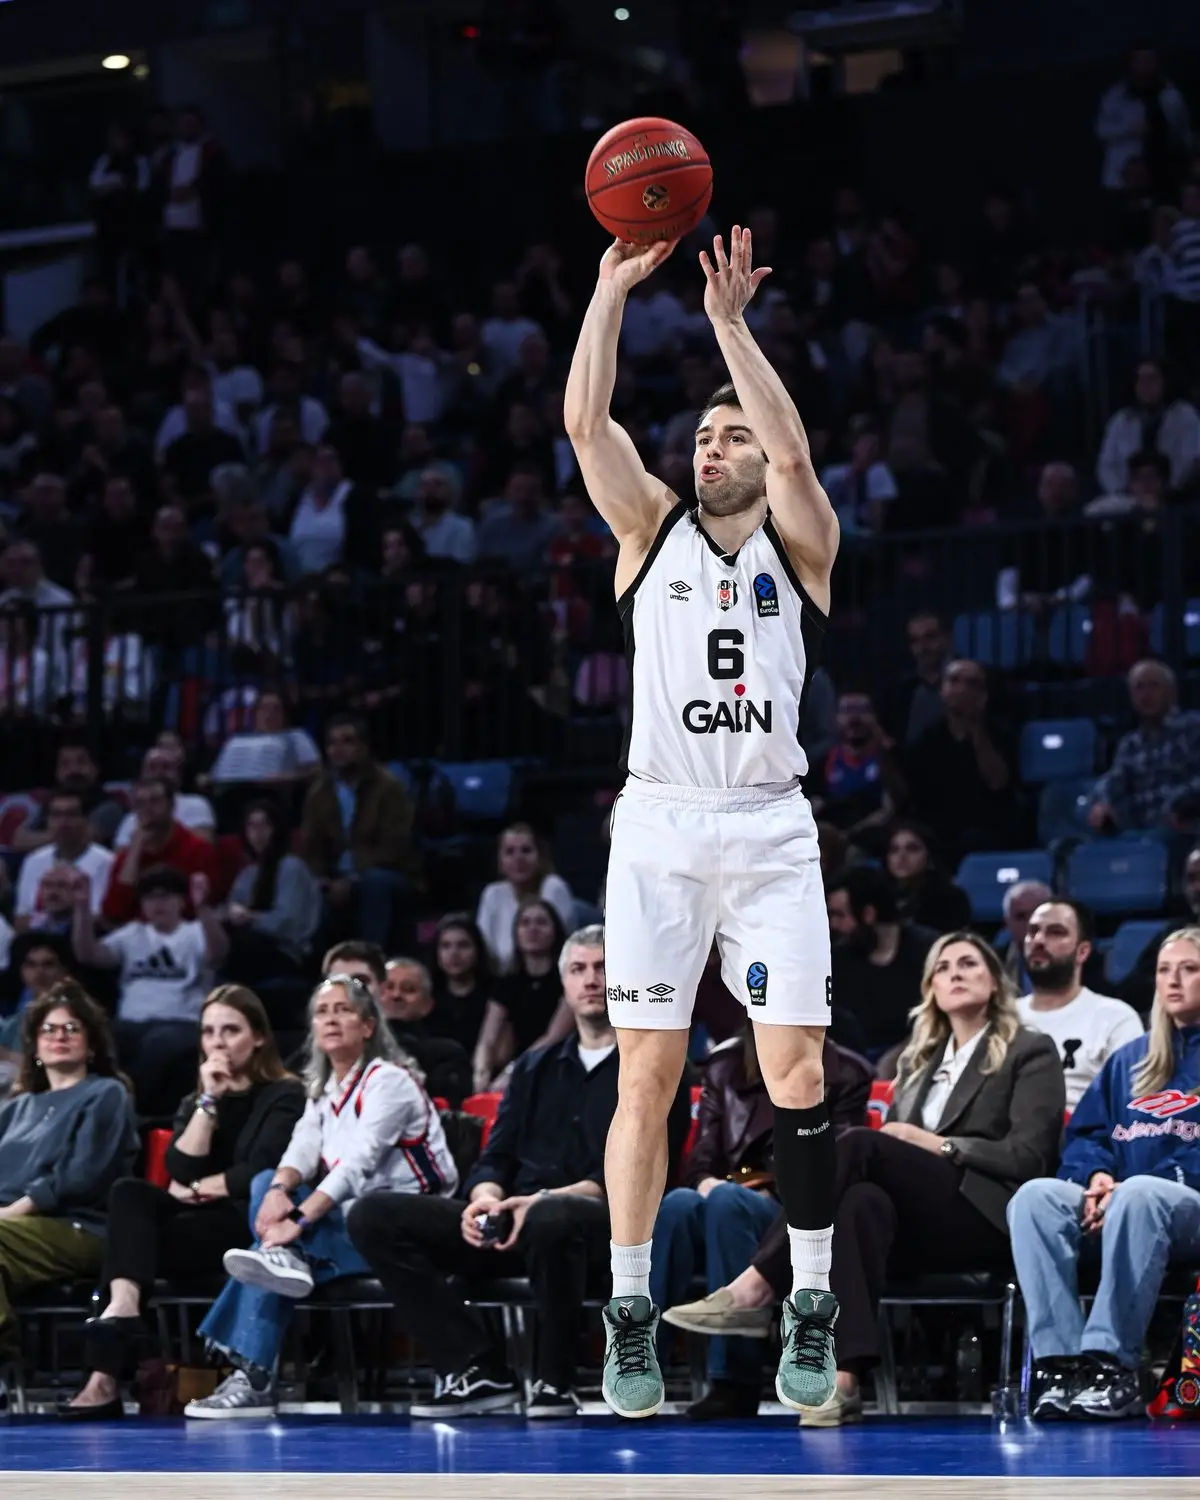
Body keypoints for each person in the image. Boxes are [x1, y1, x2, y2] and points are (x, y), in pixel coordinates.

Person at [564, 224, 841, 1418]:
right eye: (703, 433)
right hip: (663, 829)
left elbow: (793, 449)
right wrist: (608, 291)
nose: (714, 444)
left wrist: (730, 325)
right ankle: (631, 1313)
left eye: (730, 433)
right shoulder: (648, 534)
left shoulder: (804, 546)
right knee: (649, 1077)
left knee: (798, 1070)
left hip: (770, 826)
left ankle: (813, 1297)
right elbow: (587, 427)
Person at [666, 934, 1064, 1426]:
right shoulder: (918, 1063)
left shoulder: (1030, 1051)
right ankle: (845, 1381)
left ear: (996, 982)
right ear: (930, 987)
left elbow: (1028, 1157)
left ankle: (758, 1285)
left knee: (855, 1145)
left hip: (986, 1213)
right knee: (859, 1202)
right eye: (943, 967)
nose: (955, 973)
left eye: (968, 964)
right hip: (922, 1224)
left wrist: (936, 1144)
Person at [347, 925, 692, 1418]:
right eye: (578, 969)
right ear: (565, 984)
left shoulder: (660, 1066)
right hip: (514, 1217)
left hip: (608, 1226)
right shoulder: (533, 1066)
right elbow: (498, 1154)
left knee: (555, 1216)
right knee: (372, 1215)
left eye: (603, 969)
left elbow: (649, 1166)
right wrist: (485, 1195)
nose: (591, 979)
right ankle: (475, 1365)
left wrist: (539, 1200)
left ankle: (556, 1382)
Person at [183, 972, 457, 1417]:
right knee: (263, 1180)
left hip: (403, 1231)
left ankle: (253, 1376)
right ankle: (284, 1262)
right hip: (351, 1226)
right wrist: (276, 1192)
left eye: (342, 1009)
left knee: (274, 1253)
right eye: (321, 1012)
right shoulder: (325, 1091)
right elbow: (301, 1150)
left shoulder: (389, 1081)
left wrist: (298, 1223)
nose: (330, 1019)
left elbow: (355, 1167)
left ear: (367, 1026)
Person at [59, 986, 305, 1419]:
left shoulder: (284, 1095)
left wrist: (194, 1190)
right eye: (209, 1031)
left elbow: (258, 1172)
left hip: (248, 1226)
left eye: (231, 1030)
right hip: (195, 1224)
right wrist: (209, 1101)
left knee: (130, 1246)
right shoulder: (197, 1100)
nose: (218, 1042)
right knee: (129, 1195)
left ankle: (104, 1377)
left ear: (260, 1037)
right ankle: (123, 1313)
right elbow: (179, 1165)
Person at [1009, 928, 1200, 1421]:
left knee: (1141, 1194)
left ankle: (1112, 1366)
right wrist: (1093, 1177)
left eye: (1189, 969)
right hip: (1122, 1201)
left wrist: (1132, 1187)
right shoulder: (1131, 1058)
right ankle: (1063, 1364)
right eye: (1163, 970)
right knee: (1036, 1198)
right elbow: (1090, 1134)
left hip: (1184, 1205)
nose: (1172, 981)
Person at [655, 1026, 873, 1419]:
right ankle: (644, 1361)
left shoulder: (845, 1071)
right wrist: (705, 1183)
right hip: (724, 1191)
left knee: (727, 1203)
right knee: (678, 1205)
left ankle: (734, 1380)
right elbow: (703, 1154)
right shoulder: (725, 1065)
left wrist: (759, 1194)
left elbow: (835, 1164)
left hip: (792, 1209)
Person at [0, 982, 138, 1366]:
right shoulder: (14, 1108)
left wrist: (11, 1212)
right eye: (50, 1029)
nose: (60, 1036)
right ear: (35, 1047)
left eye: (72, 1028)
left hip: (78, 1226)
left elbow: (81, 1177)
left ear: (91, 1045)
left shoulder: (106, 1094)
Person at [73, 866, 229, 1116]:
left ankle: (127, 1110)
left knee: (159, 1044)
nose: (158, 903)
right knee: (94, 1038)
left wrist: (203, 908)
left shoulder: (195, 932)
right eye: (150, 897)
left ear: (181, 901)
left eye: (166, 896)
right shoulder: (132, 934)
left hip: (182, 1023)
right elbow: (88, 954)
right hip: (130, 1023)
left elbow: (218, 953)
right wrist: (82, 908)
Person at [1016, 900, 1144, 1109]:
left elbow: (1130, 1103)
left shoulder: (1115, 1018)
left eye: (1055, 932)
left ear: (1082, 951)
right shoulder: (1002, 1016)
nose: (1039, 940)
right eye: (1033, 931)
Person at [472, 896, 571, 1091]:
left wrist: (512, 1072)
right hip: (515, 1064)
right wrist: (480, 1074)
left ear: (555, 931)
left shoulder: (568, 979)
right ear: (516, 932)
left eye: (541, 923)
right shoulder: (507, 982)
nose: (532, 929)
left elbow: (553, 1037)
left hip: (555, 1064)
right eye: (525, 923)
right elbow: (487, 1039)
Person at [222, 800, 322, 983]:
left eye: (264, 825)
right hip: (251, 945)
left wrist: (250, 918)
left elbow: (286, 922)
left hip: (286, 951)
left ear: (277, 829)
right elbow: (231, 906)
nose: (257, 833)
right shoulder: (248, 873)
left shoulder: (292, 867)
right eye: (252, 826)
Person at [474, 823, 576, 971]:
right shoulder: (492, 894)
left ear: (540, 857)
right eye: (509, 852)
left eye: (526, 850)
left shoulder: (554, 888)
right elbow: (482, 951)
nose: (518, 858)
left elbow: (563, 948)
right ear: (500, 862)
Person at [885, 820, 972, 934]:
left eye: (912, 849)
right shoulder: (878, 897)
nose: (901, 856)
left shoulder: (951, 899)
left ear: (930, 857)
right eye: (894, 850)